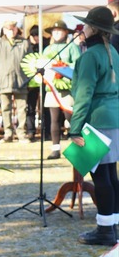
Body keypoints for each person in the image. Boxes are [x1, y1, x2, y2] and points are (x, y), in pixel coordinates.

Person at [68, 6, 119, 246]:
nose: (83, 28)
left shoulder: (89, 56)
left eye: (86, 25)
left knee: (100, 177)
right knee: (111, 174)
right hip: (114, 118)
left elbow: (84, 95)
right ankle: (114, 225)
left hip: (96, 119)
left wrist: (75, 128)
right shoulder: (113, 53)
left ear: (93, 29)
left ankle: (105, 230)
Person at [42, 20, 80, 160]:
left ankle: (77, 147)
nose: (57, 33)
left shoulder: (72, 47)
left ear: (65, 33)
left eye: (60, 31)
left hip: (66, 89)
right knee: (54, 119)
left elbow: (77, 64)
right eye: (54, 31)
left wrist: (63, 66)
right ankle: (55, 148)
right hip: (52, 89)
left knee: (71, 118)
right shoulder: (48, 49)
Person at [0, 20, 31, 143]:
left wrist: (30, 80)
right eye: (8, 29)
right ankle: (8, 133)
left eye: (13, 28)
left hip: (21, 81)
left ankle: (21, 134)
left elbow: (31, 61)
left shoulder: (24, 43)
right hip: (4, 82)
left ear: (17, 29)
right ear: (4, 30)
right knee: (5, 109)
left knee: (22, 109)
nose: (11, 31)